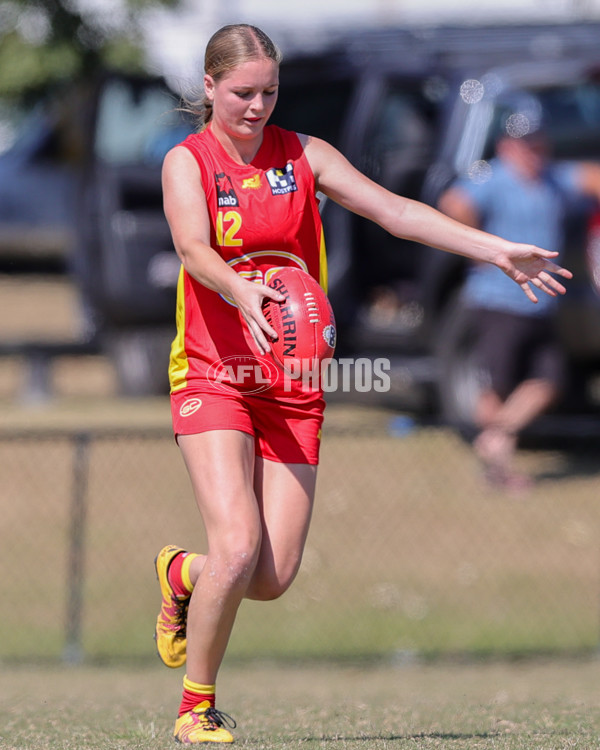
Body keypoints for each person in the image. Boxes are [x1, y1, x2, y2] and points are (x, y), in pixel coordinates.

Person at [155, 25, 572, 744]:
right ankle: (197, 709)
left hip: (293, 378)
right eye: (243, 93)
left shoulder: (305, 155)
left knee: (269, 575)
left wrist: (495, 250)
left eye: (269, 92)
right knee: (237, 545)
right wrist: (239, 289)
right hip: (215, 370)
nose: (257, 106)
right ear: (211, 87)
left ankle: (181, 576)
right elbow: (194, 248)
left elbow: (396, 211)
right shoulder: (186, 163)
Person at [438, 113, 600, 492]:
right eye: (528, 144)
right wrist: (476, 248)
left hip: (541, 303)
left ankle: (495, 437)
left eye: (540, 143)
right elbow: (453, 202)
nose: (535, 151)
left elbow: (589, 177)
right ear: (507, 145)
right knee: (497, 383)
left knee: (551, 379)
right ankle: (497, 465)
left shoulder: (551, 179)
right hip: (498, 300)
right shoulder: (494, 179)